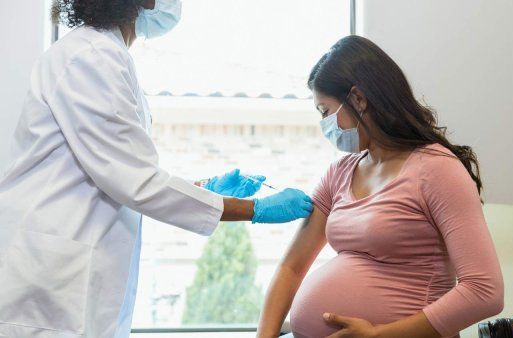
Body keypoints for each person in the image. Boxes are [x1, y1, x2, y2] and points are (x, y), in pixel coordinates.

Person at [0, 0, 312, 337]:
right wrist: (255, 209)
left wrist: (205, 188)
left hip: (70, 278)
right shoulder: (90, 57)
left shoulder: (106, 56)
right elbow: (135, 182)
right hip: (50, 286)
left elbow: (123, 170)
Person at [256, 35, 504, 338]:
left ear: (359, 99)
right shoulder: (339, 173)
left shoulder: (437, 169)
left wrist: (379, 336)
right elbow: (291, 268)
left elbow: (484, 291)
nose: (325, 125)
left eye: (325, 111)